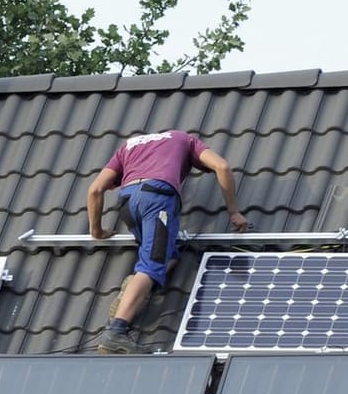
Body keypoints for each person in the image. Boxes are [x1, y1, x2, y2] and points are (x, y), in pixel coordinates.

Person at [87, 130, 249, 351]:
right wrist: (234, 212)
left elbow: (95, 190)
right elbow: (222, 166)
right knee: (152, 265)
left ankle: (132, 289)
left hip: (127, 202)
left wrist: (96, 230)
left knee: (168, 255)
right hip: (157, 199)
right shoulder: (185, 139)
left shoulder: (129, 146)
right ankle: (116, 331)